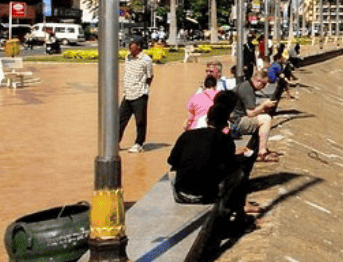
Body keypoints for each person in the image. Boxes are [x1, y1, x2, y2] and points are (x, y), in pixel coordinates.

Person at [167, 97, 264, 226]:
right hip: (205, 195)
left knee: (174, 170)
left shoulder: (187, 135)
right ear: (226, 123)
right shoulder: (224, 139)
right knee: (239, 172)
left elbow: (172, 160)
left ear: (207, 119)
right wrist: (237, 155)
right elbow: (228, 165)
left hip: (181, 194)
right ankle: (240, 215)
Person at [229, 71, 278, 162]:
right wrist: (264, 105)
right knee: (266, 119)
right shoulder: (246, 89)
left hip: (235, 120)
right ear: (259, 81)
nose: (263, 87)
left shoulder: (246, 86)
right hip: (236, 123)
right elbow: (250, 113)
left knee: (263, 116)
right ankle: (262, 152)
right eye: (263, 84)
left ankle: (260, 149)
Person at [119, 37, 154, 153]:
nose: (130, 47)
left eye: (132, 44)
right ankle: (116, 142)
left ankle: (139, 143)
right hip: (128, 93)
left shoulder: (146, 60)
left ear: (139, 46)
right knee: (120, 119)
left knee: (140, 121)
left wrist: (143, 87)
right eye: (129, 44)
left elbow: (150, 77)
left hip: (140, 94)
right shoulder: (127, 58)